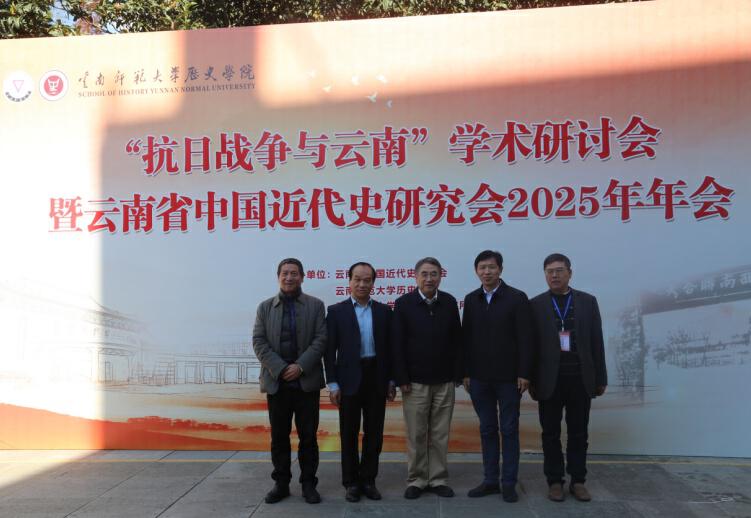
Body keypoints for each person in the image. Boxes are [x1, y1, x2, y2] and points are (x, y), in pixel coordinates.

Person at [529, 253, 607, 503]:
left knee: (579, 433)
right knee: (550, 433)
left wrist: (600, 377)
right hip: (549, 380)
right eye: (550, 271)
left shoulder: (587, 302)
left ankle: (578, 481)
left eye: (560, 270)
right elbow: (531, 347)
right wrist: (531, 379)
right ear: (545, 275)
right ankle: (554, 481)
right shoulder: (535, 304)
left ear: (570, 273)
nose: (555, 275)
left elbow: (597, 341)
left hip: (580, 379)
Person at [252, 258, 327, 504]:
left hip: (306, 383)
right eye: (284, 273)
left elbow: (321, 339)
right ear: (278, 277)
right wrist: (282, 368)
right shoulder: (265, 308)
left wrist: (300, 366)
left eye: (294, 273)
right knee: (279, 437)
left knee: (308, 437)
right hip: (278, 383)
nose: (289, 277)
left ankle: (309, 484)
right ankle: (281, 483)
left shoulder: (316, 306)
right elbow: (259, 342)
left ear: (302, 277)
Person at [462, 250, 534, 503]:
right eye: (482, 267)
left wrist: (525, 373)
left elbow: (526, 338)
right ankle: (490, 480)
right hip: (479, 378)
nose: (487, 272)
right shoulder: (471, 299)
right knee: (487, 429)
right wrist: (466, 372)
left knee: (509, 429)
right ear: (476, 271)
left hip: (509, 379)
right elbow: (466, 338)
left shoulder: (516, 298)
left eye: (491, 267)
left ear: (500, 270)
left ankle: (509, 483)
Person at [391, 257, 462, 499]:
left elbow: (457, 340)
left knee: (440, 433)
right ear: (415, 277)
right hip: (414, 382)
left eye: (434, 274)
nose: (429, 279)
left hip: (444, 380)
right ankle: (417, 479)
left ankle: (438, 478)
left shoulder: (449, 302)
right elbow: (397, 344)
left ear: (441, 276)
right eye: (424, 274)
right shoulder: (403, 304)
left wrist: (457, 374)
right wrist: (401, 377)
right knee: (416, 433)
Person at [324, 261, 395, 502]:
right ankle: (351, 482)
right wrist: (333, 384)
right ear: (349, 281)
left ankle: (369, 480)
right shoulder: (336, 312)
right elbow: (329, 352)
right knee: (349, 433)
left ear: (373, 283)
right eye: (357, 279)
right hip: (348, 380)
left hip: (376, 377)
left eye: (367, 280)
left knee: (374, 433)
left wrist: (391, 380)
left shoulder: (384, 312)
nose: (362, 284)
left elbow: (390, 350)